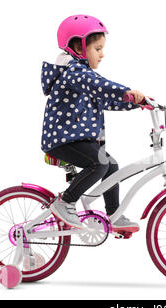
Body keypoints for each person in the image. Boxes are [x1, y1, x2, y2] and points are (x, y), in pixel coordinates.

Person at [40, 14, 145, 233]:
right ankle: (65, 202)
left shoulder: (82, 77)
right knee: (99, 164)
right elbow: (101, 86)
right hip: (62, 140)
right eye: (97, 49)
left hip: (75, 139)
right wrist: (126, 91)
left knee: (111, 166)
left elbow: (106, 99)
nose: (102, 54)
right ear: (78, 47)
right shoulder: (74, 72)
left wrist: (137, 103)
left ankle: (113, 214)